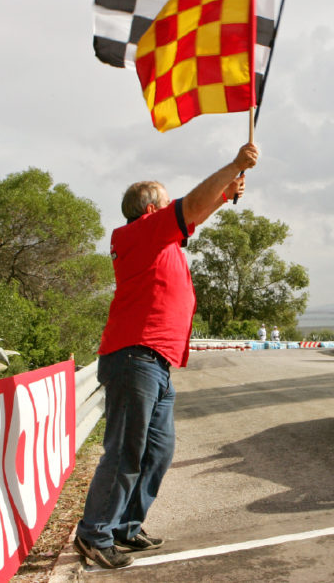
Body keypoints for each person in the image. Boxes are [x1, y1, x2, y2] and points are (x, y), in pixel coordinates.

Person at [74, 142, 259, 569]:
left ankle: (124, 527)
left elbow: (196, 212)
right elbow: (192, 206)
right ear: (152, 208)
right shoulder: (143, 231)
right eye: (166, 197)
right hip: (136, 357)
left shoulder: (156, 237)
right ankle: (94, 534)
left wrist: (227, 194)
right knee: (125, 451)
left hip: (152, 361)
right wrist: (234, 165)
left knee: (157, 451)